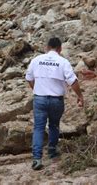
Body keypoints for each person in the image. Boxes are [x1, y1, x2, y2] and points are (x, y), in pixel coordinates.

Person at [25, 37, 84, 171]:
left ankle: (37, 159)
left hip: (39, 99)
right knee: (54, 125)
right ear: (60, 48)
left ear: (46, 47)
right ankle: (52, 151)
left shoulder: (36, 60)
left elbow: (29, 78)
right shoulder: (63, 62)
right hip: (56, 100)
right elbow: (73, 81)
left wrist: (36, 90)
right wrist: (80, 96)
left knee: (39, 128)